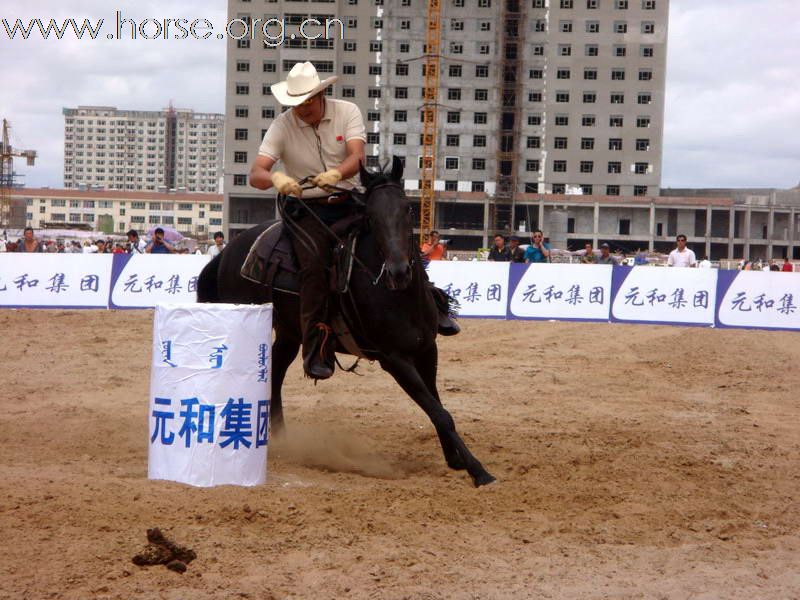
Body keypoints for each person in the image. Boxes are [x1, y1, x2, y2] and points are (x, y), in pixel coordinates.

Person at [248, 61, 367, 380]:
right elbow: (256, 173)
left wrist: (338, 173)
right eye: (296, 103)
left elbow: (357, 156)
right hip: (308, 210)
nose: (303, 108)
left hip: (350, 199)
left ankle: (432, 307)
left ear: (322, 93)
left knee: (393, 231)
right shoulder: (281, 126)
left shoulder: (348, 111)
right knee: (314, 267)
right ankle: (315, 350)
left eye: (308, 100)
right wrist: (276, 179)